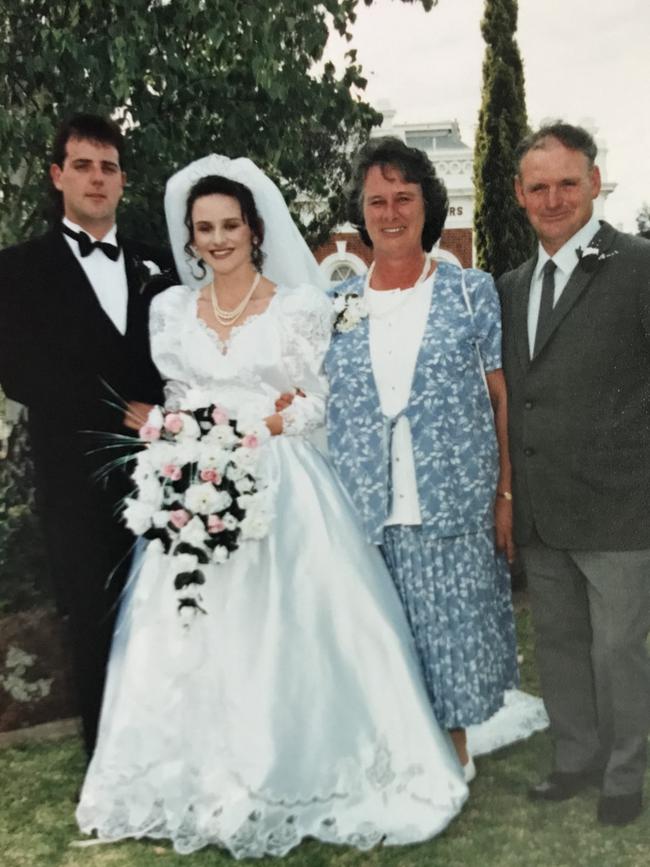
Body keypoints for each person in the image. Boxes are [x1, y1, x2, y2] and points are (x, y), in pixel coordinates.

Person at [76, 155, 469, 857]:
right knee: (190, 630)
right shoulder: (168, 310)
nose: (218, 238)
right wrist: (176, 435)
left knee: (291, 628)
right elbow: (176, 395)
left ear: (255, 229)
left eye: (230, 224)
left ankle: (297, 765)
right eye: (205, 228)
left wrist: (274, 423)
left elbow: (322, 397)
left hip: (282, 481)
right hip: (194, 480)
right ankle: (193, 774)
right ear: (190, 237)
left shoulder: (298, 305)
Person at [323, 137, 522, 781]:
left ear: (425, 204)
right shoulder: (336, 307)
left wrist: (506, 497)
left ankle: (454, 754)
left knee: (450, 641)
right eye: (376, 200)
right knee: (388, 642)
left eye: (403, 197)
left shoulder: (470, 293)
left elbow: (502, 401)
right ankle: (399, 755)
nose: (389, 212)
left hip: (452, 504)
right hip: (368, 511)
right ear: (361, 210)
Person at [0, 113, 176, 756]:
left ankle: (171, 745)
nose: (96, 179)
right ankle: (112, 762)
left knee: (169, 609)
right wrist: (118, 410)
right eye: (83, 165)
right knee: (92, 619)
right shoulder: (17, 270)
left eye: (107, 167)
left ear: (123, 180)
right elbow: (21, 373)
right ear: (58, 176)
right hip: (74, 478)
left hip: (168, 471)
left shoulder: (160, 259)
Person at [498, 121, 650, 826]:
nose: (552, 198)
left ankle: (624, 772)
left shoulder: (640, 265)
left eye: (567, 182)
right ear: (520, 195)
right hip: (541, 506)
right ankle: (576, 757)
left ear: (594, 181)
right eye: (538, 186)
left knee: (619, 648)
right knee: (558, 643)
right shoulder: (510, 284)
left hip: (623, 506)